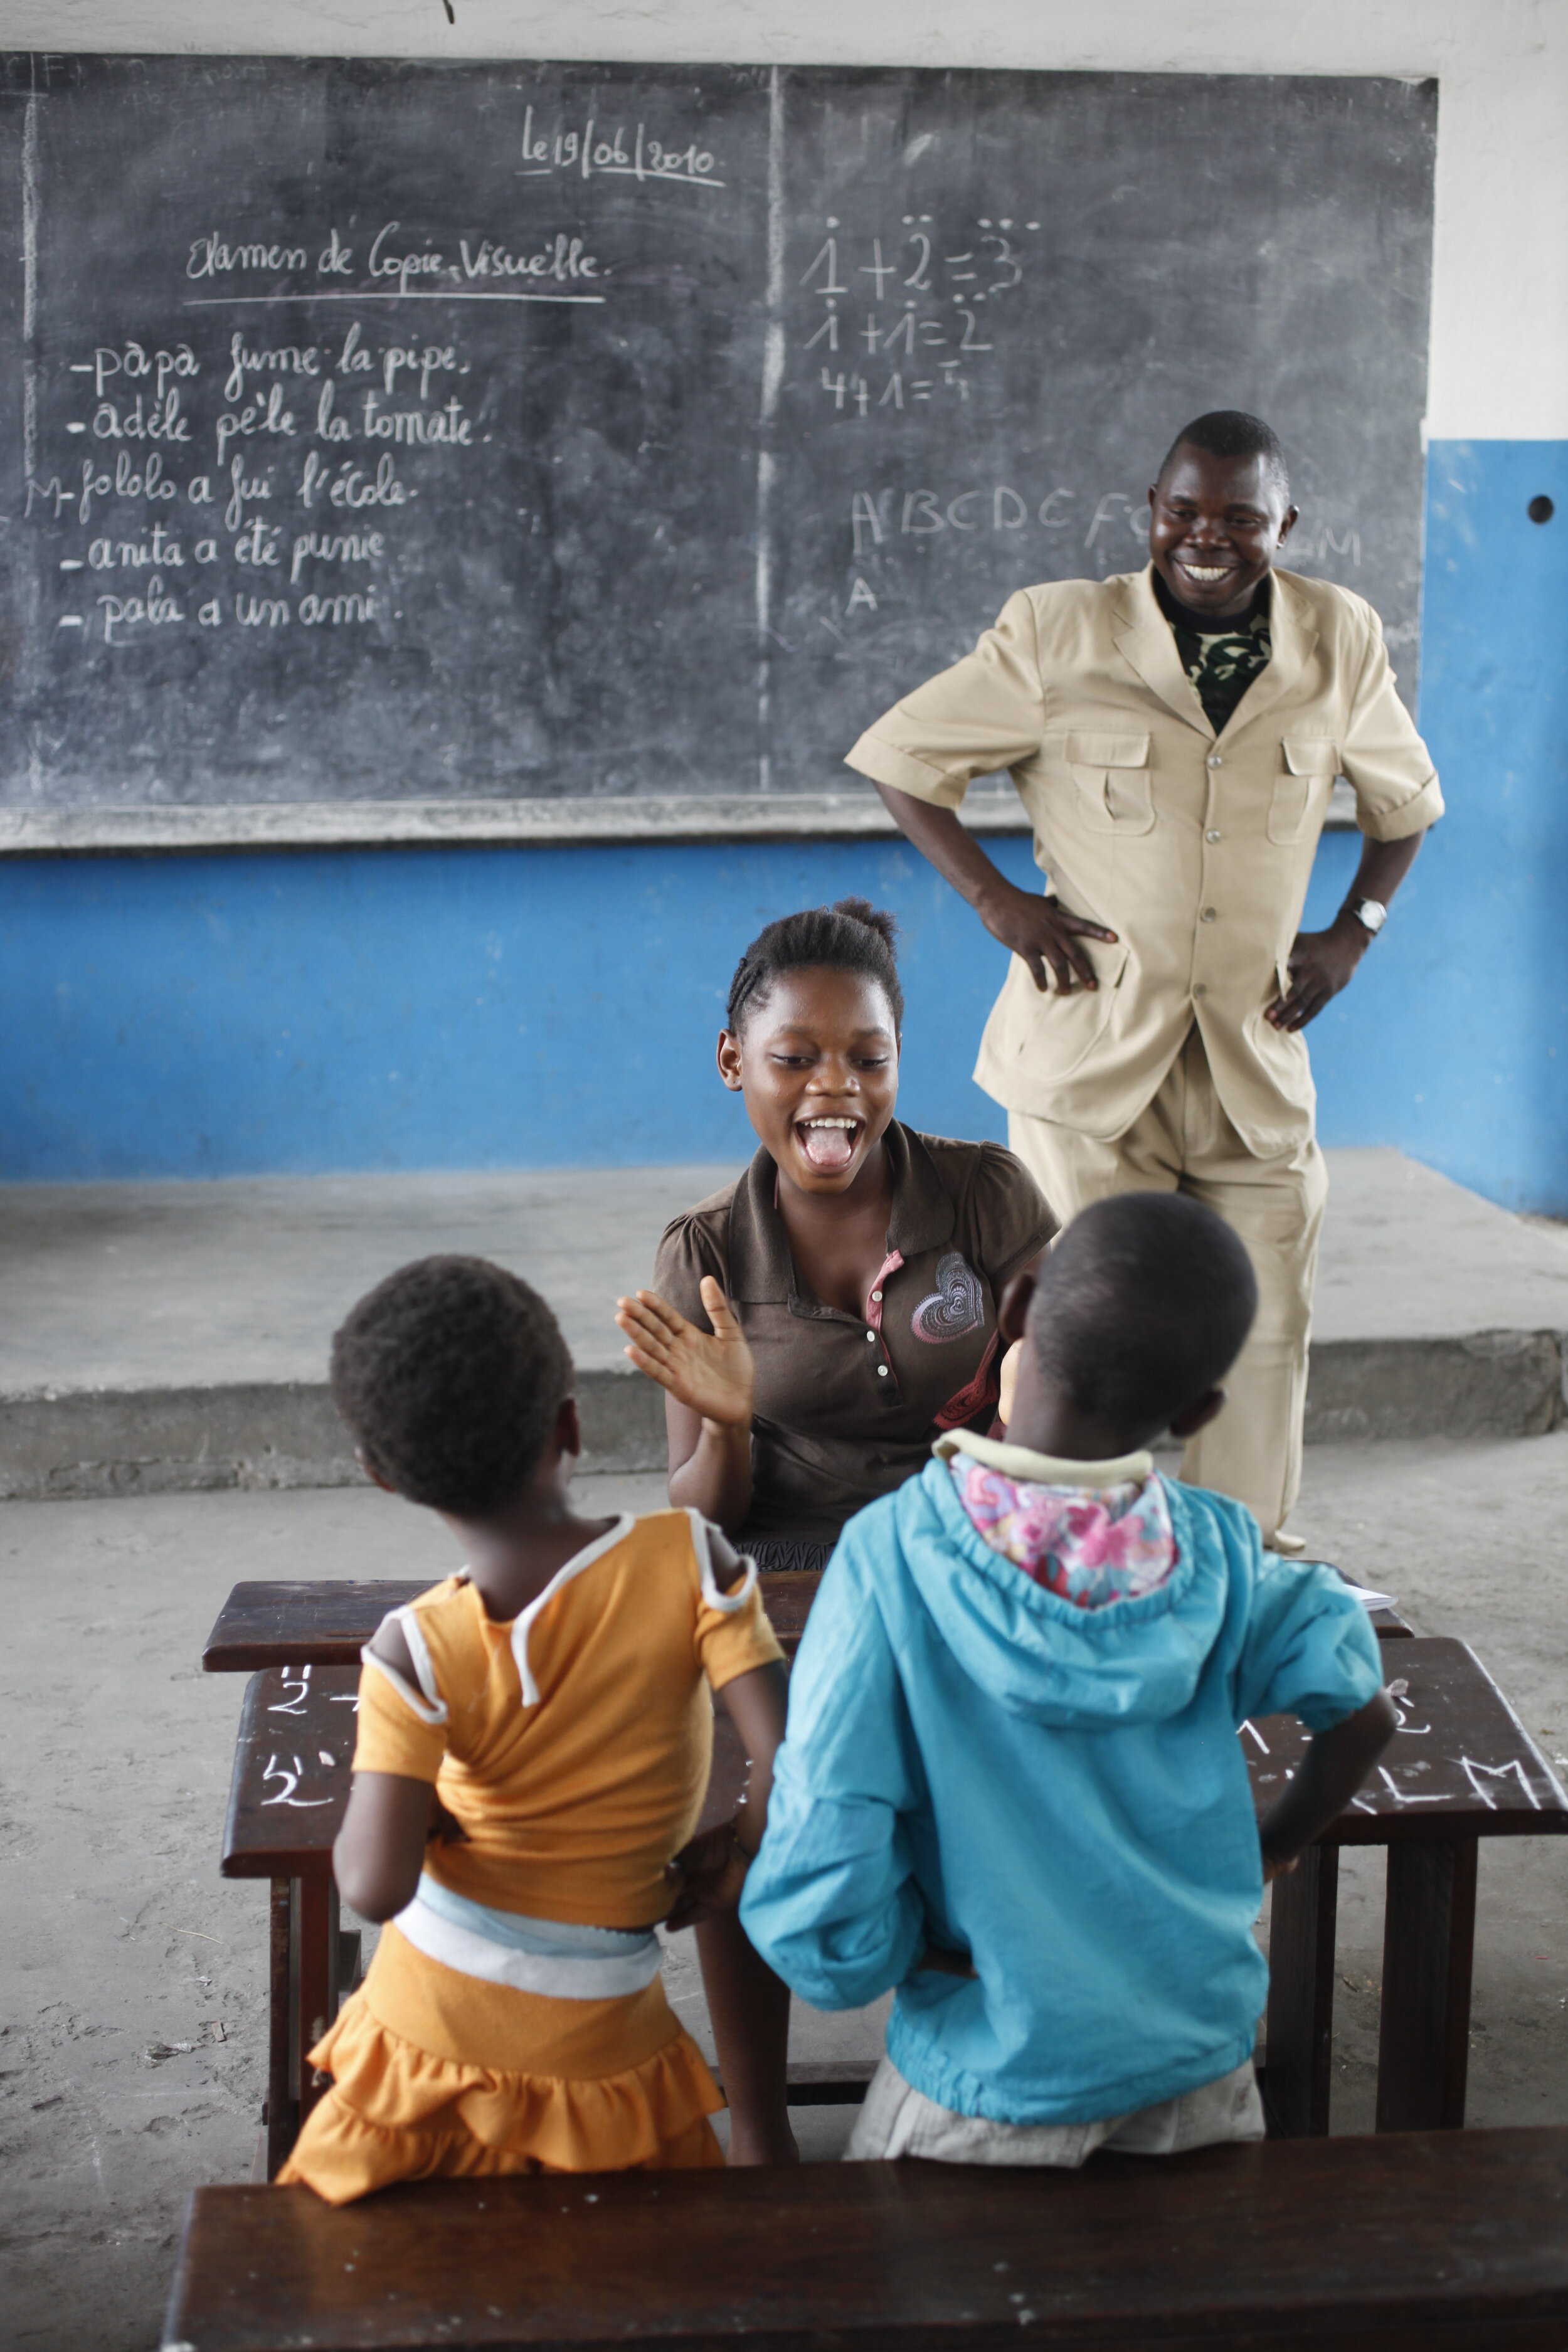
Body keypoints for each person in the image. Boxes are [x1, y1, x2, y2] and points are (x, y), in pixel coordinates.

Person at [845, 410, 1444, 1552]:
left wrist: (1353, 931)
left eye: (1239, 518)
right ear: (1151, 511)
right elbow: (904, 761)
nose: (1206, 536)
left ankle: (1239, 1565)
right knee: (1076, 1328)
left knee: (1267, 1320)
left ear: (1286, 526)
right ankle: (1059, 1556)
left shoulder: (1338, 637)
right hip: (1087, 1057)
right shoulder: (1057, 632)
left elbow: (1405, 805)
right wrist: (997, 901)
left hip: (1250, 1057)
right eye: (1184, 511)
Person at [739, 1192, 1397, 2166]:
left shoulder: (891, 1557)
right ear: (1199, 1410)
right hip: (1200, 2074)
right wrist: (1267, 1846)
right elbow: (1364, 1712)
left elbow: (824, 1881)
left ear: (1017, 1308)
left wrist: (899, 1949)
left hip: (982, 2081)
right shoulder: (1218, 1549)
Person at [277, 1254, 788, 2204]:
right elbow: (792, 1749)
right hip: (609, 2053)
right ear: (570, 1422)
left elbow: (374, 1883)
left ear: (380, 1474)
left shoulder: (413, 1649)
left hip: (423, 2053)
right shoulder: (692, 1561)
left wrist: (412, 1801)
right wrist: (740, 1852)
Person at [615, 898, 1058, 1576]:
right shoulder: (704, 1253)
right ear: (734, 1061)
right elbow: (704, 1517)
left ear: (898, 1059)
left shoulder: (983, 1191)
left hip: (974, 1537)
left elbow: (1061, 1384)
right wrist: (727, 1426)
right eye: (794, 1058)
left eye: (869, 1058)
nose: (834, 1083)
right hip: (793, 1558)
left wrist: (1024, 1418)